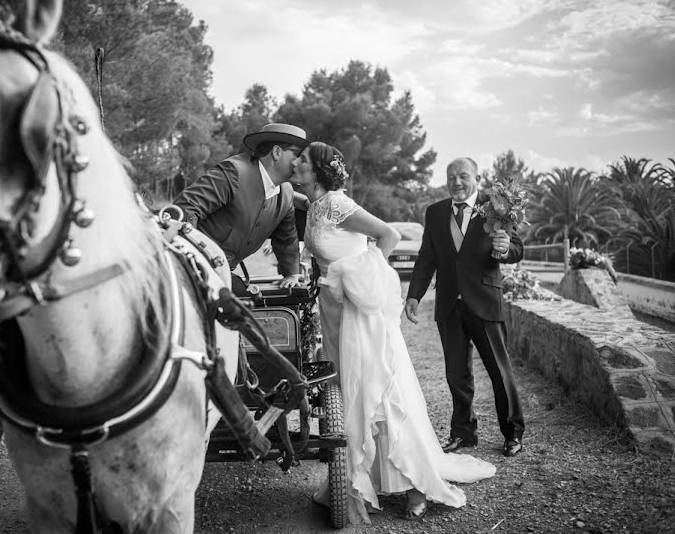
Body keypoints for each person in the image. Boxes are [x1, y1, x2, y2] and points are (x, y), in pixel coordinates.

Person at [295, 142, 496, 524]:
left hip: (359, 311)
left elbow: (387, 236)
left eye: (302, 159)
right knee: (349, 392)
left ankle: (417, 483)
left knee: (380, 389)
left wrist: (363, 277)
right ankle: (356, 478)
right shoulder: (315, 204)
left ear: (318, 171)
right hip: (333, 311)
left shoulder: (337, 204)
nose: (296, 162)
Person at [404, 157, 525, 458]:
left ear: (477, 177)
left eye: (463, 176)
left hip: (484, 300)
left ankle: (512, 433)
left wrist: (505, 248)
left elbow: (517, 248)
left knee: (499, 370)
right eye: (451, 177)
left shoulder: (497, 205)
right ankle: (463, 433)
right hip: (448, 304)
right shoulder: (434, 213)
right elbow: (426, 258)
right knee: (456, 374)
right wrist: (414, 295)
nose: (456, 182)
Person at [174, 123, 307, 290]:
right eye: (298, 155)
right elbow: (186, 207)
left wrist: (292, 274)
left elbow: (287, 239)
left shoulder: (286, 193)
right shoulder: (234, 172)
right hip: (192, 270)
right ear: (277, 152)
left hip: (223, 274)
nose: (303, 163)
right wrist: (191, 259)